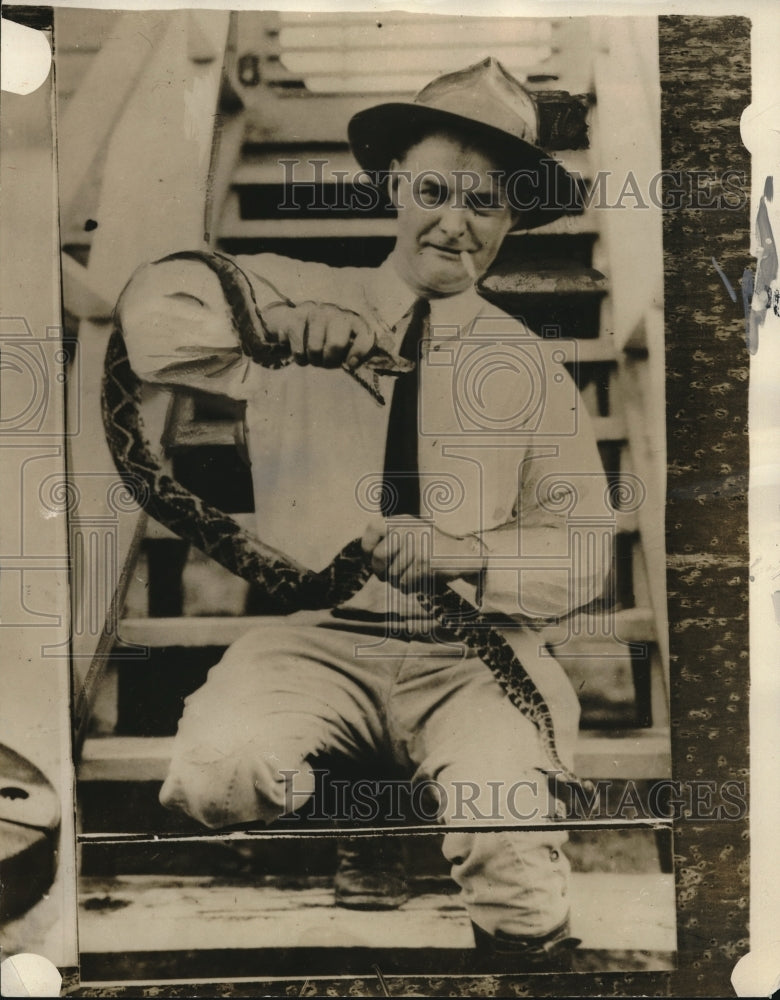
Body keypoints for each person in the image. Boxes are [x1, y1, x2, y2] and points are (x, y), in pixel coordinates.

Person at [117, 57, 609, 969]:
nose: (455, 224)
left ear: (510, 220)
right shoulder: (296, 287)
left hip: (470, 653)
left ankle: (471, 849)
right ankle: (383, 801)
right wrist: (272, 329)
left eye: (487, 204)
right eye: (432, 190)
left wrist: (466, 554)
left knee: (516, 861)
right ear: (391, 184)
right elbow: (149, 315)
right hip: (316, 638)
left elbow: (585, 553)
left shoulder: (531, 366)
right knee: (214, 775)